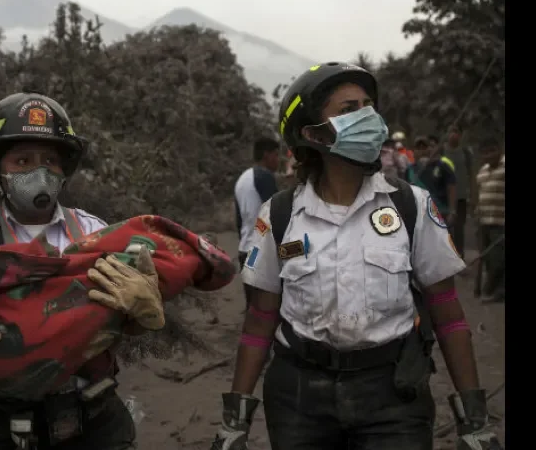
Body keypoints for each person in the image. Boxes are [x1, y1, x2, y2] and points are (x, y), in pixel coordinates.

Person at [211, 62, 502, 450]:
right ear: (312, 134)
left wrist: (474, 418)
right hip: (299, 399)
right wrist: (236, 421)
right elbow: (261, 319)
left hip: (393, 397)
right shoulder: (279, 215)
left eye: (369, 106)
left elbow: (447, 311)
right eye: (349, 110)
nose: (367, 116)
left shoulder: (410, 206)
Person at [0, 92, 142, 450]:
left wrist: (138, 311)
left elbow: (122, 320)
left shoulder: (96, 234)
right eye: (22, 160)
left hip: (91, 417)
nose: (39, 171)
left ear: (64, 171)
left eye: (50, 159)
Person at [234, 138, 280, 306]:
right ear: (266, 155)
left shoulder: (242, 179)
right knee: (267, 307)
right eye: (276, 155)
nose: (278, 159)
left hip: (246, 251)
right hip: (260, 251)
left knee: (253, 305)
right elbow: (276, 212)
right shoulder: (264, 176)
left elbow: (240, 221)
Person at [474, 136, 505, 303]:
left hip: (500, 222)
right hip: (484, 221)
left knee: (498, 258)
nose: (489, 155)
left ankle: (495, 291)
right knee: (487, 258)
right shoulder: (483, 170)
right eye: (485, 153)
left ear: (499, 150)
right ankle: (495, 290)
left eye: (492, 151)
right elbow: (480, 193)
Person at [410, 135, 458, 228]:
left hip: (440, 212)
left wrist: (452, 212)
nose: (422, 151)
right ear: (414, 152)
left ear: (430, 149)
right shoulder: (410, 170)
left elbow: (451, 188)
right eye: (418, 148)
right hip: (419, 215)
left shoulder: (442, 166)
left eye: (424, 147)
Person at [444, 123, 474, 256]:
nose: (453, 134)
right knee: (445, 229)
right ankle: (447, 256)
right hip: (444, 197)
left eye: (456, 131)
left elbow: (471, 175)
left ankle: (460, 255)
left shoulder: (466, 152)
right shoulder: (441, 151)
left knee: (459, 228)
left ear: (460, 135)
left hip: (461, 197)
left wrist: (473, 197)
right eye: (450, 131)